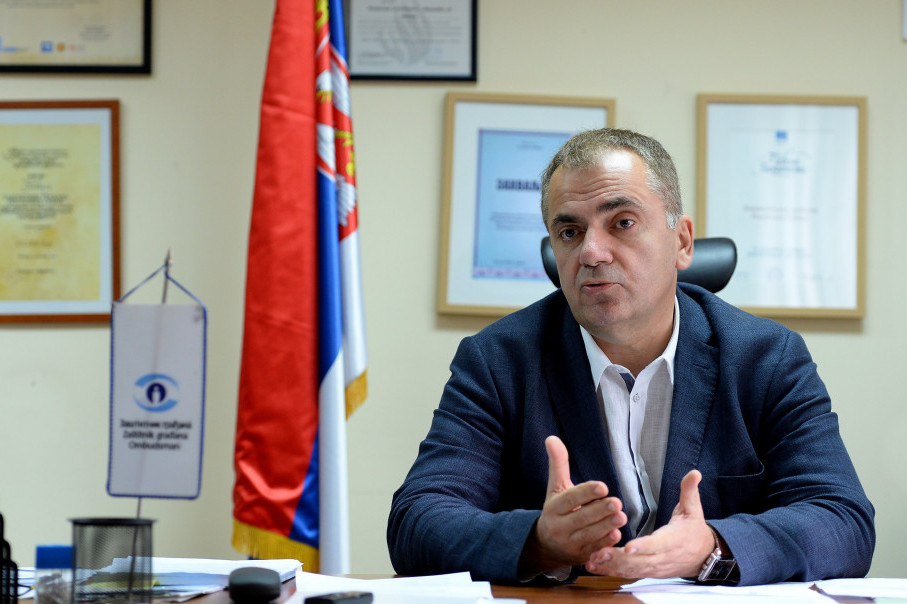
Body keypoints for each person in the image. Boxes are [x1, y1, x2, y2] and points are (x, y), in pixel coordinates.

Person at [387, 128, 874, 586]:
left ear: (682, 242)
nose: (592, 253)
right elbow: (417, 520)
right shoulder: (499, 361)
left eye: (622, 223)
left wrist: (713, 546)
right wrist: (538, 541)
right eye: (570, 232)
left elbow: (843, 518)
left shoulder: (765, 357)